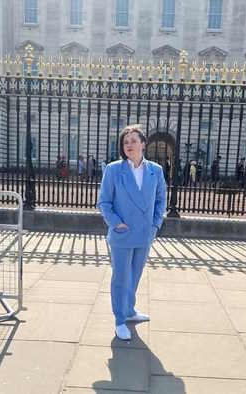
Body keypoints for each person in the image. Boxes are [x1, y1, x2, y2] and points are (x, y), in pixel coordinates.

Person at [97, 124, 166, 341]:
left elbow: (160, 200)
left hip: (144, 234)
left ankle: (129, 311)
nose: (129, 145)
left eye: (134, 141)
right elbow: (104, 202)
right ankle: (119, 320)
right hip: (122, 234)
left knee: (135, 275)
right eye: (126, 142)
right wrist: (116, 223)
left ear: (143, 144)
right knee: (121, 277)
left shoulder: (156, 170)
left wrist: (155, 226)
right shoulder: (114, 169)